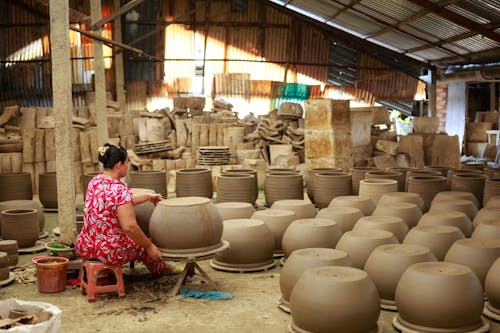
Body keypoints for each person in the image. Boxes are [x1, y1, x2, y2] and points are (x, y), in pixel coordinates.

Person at [75, 143, 182, 275]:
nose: (128, 166)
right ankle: (162, 268)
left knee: (135, 239)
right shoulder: (120, 189)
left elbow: (118, 204)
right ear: (119, 165)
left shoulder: (95, 182)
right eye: (127, 162)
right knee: (143, 242)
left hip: (86, 245)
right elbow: (129, 227)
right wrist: (149, 246)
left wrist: (147, 197)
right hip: (107, 251)